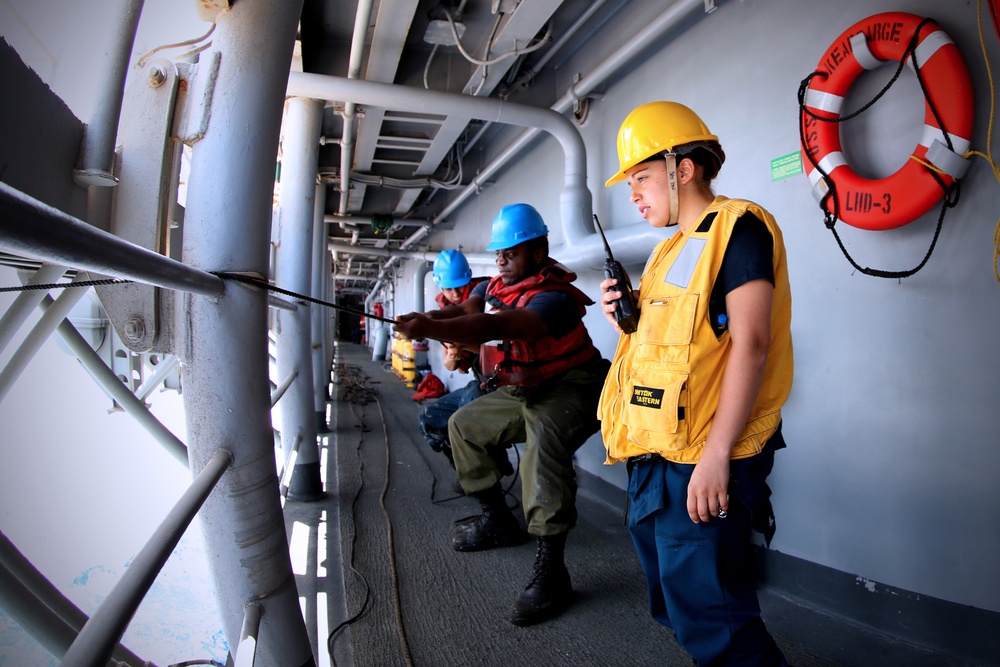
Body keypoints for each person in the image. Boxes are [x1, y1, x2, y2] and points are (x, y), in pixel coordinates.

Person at [597, 101, 794, 666]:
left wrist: (716, 458)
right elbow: (677, 344)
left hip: (704, 454)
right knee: (679, 605)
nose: (633, 194)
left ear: (683, 167)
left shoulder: (740, 226)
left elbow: (751, 344)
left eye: (641, 177)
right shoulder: (667, 251)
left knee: (717, 620)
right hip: (656, 454)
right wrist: (627, 318)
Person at [394, 203, 609, 627]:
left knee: (542, 449)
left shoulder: (555, 299)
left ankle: (552, 573)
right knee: (462, 426)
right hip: (524, 387)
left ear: (539, 250)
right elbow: (467, 313)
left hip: (572, 386)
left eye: (510, 253)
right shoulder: (494, 285)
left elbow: (506, 327)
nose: (500, 261)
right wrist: (424, 319)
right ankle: (498, 522)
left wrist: (430, 328)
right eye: (498, 254)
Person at [416, 250, 513, 483]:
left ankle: (491, 478)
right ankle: (467, 473)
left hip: (506, 381)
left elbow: (510, 352)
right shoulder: (444, 317)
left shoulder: (489, 299)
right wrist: (453, 353)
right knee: (429, 418)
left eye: (460, 286)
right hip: (481, 382)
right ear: (440, 287)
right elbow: (449, 365)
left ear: (469, 279)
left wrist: (467, 347)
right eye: (449, 289)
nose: (455, 293)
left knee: (464, 420)